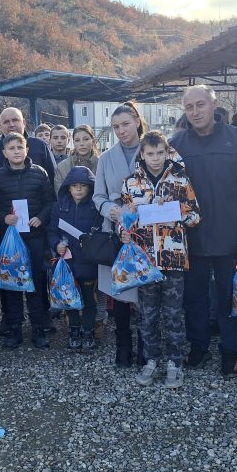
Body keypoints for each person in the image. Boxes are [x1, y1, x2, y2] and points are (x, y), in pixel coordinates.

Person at [170, 86, 237, 378]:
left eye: (201, 105)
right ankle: (198, 345)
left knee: (230, 296)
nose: (195, 112)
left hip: (231, 233)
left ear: (214, 105)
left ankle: (230, 350)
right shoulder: (176, 145)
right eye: (189, 107)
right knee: (194, 296)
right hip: (190, 236)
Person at [119, 131, 200, 389]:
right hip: (144, 262)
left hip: (173, 259)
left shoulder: (180, 180)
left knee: (174, 314)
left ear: (168, 153)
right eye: (150, 153)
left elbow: (195, 217)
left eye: (160, 153)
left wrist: (176, 209)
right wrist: (123, 231)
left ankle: (175, 363)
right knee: (147, 315)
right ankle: (151, 360)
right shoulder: (130, 184)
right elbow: (124, 218)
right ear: (142, 155)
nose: (155, 158)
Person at [0, 133, 56, 349]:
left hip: (35, 237)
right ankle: (15, 329)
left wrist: (41, 217)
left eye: (20, 147)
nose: (16, 151)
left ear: (27, 149)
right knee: (12, 284)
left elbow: (50, 202)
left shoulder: (39, 173)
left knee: (35, 283)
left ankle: (38, 328)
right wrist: (3, 217)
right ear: (4, 152)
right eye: (11, 148)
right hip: (10, 239)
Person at [94, 102, 147, 367]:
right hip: (116, 230)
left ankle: (146, 346)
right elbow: (98, 196)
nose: (121, 130)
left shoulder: (152, 150)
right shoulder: (106, 158)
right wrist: (111, 210)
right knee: (121, 290)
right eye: (115, 127)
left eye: (125, 124)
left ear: (137, 121)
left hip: (147, 230)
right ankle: (123, 346)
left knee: (147, 290)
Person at [48, 166, 101, 352]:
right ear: (68, 187)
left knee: (89, 299)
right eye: (74, 185)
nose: (78, 189)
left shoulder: (96, 207)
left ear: (90, 187)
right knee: (68, 298)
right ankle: (74, 331)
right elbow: (52, 231)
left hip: (88, 262)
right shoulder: (59, 207)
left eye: (83, 185)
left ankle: (88, 331)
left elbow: (102, 233)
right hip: (67, 263)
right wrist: (56, 245)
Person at [0, 107, 56, 179]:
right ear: (0, 127)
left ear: (24, 123)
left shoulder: (40, 146)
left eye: (15, 120)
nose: (11, 125)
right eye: (6, 122)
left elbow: (53, 177)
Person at [54, 124, 100, 193]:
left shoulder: (102, 164)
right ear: (73, 143)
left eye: (86, 139)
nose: (82, 144)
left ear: (93, 140)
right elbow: (61, 194)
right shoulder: (62, 167)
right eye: (77, 140)